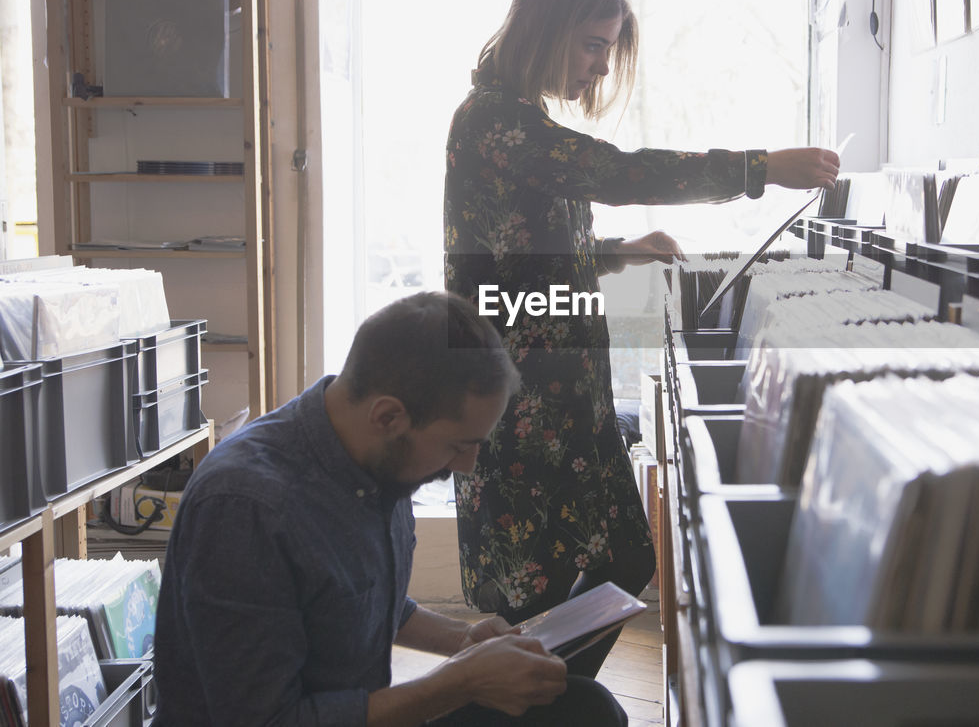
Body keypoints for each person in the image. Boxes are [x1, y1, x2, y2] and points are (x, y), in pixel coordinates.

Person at [444, 0, 839, 677]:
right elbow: (617, 171)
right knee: (545, 584)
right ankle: (534, 700)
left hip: (563, 392)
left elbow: (524, 249)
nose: (599, 67)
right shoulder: (492, 123)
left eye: (607, 48)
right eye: (593, 44)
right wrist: (758, 170)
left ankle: (548, 696)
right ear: (546, 28)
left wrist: (618, 250)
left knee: (624, 554)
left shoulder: (521, 123)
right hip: (520, 400)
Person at [153, 291, 629, 726]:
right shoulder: (244, 509)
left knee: (583, 708)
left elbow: (358, 599)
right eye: (458, 445)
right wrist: (461, 681)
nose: (467, 466)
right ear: (387, 416)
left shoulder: (374, 461)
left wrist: (462, 640)